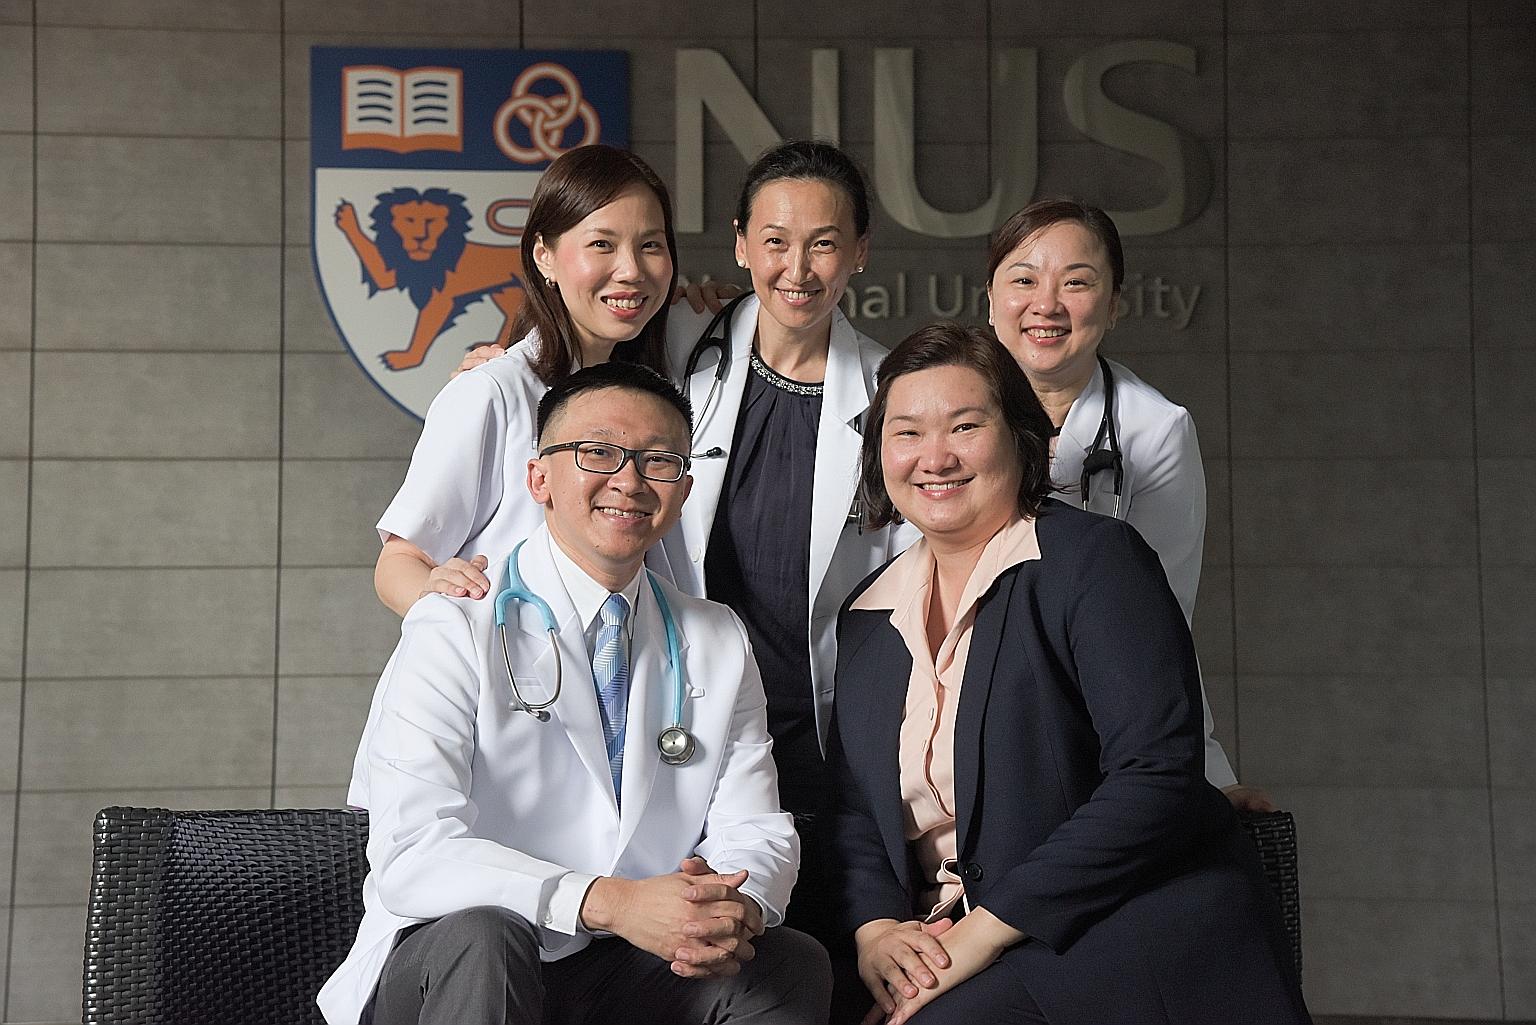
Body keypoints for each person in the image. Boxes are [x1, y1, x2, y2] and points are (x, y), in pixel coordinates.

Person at [318, 362, 831, 1025]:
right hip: (457, 964)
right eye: (598, 452)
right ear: (539, 477)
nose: (629, 480)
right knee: (485, 935)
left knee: (788, 962)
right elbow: (414, 851)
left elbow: (754, 827)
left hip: (619, 963)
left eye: (658, 461)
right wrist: (611, 900)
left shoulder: (714, 636)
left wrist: (733, 904)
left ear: (683, 490)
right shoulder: (455, 620)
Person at [827, 323, 1311, 1025]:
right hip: (952, 936)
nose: (935, 456)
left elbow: (1157, 774)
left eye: (965, 425)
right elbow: (852, 813)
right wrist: (876, 931)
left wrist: (979, 934)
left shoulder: (1096, 562)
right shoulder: (867, 614)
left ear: (1022, 436)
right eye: (906, 432)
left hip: (1117, 921)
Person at [652, 141, 913, 944]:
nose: (797, 268)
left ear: (859, 253)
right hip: (684, 715)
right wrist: (492, 356)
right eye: (775, 241)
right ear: (740, 243)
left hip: (817, 732)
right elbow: (562, 343)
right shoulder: (677, 353)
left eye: (824, 242)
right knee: (682, 951)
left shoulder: (891, 393)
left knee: (809, 949)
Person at [985, 198, 1268, 807]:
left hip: (1103, 716)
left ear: (1113, 305)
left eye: (1077, 282)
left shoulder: (1155, 428)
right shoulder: (936, 414)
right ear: (990, 297)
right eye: (1024, 279)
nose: (1047, 305)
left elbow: (1159, 615)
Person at [372, 144, 711, 618]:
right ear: (544, 256)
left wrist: (728, 304)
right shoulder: (491, 392)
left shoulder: (663, 382)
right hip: (517, 676)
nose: (632, 270)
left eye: (651, 245)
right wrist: (456, 623)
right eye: (602, 244)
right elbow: (398, 563)